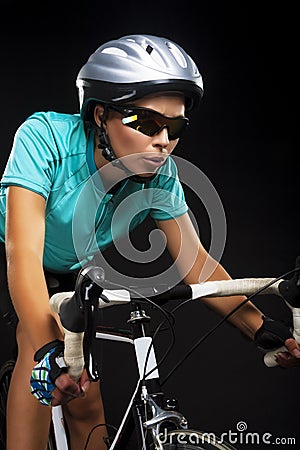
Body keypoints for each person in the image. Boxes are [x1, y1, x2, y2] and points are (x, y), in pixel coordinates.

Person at [0, 34, 299, 450]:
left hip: (73, 276)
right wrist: (47, 350)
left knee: (85, 398)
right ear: (101, 114)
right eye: (145, 123)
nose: (163, 140)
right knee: (47, 374)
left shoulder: (161, 174)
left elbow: (197, 262)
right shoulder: (45, 138)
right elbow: (24, 252)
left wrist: (260, 328)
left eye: (175, 126)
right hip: (18, 261)